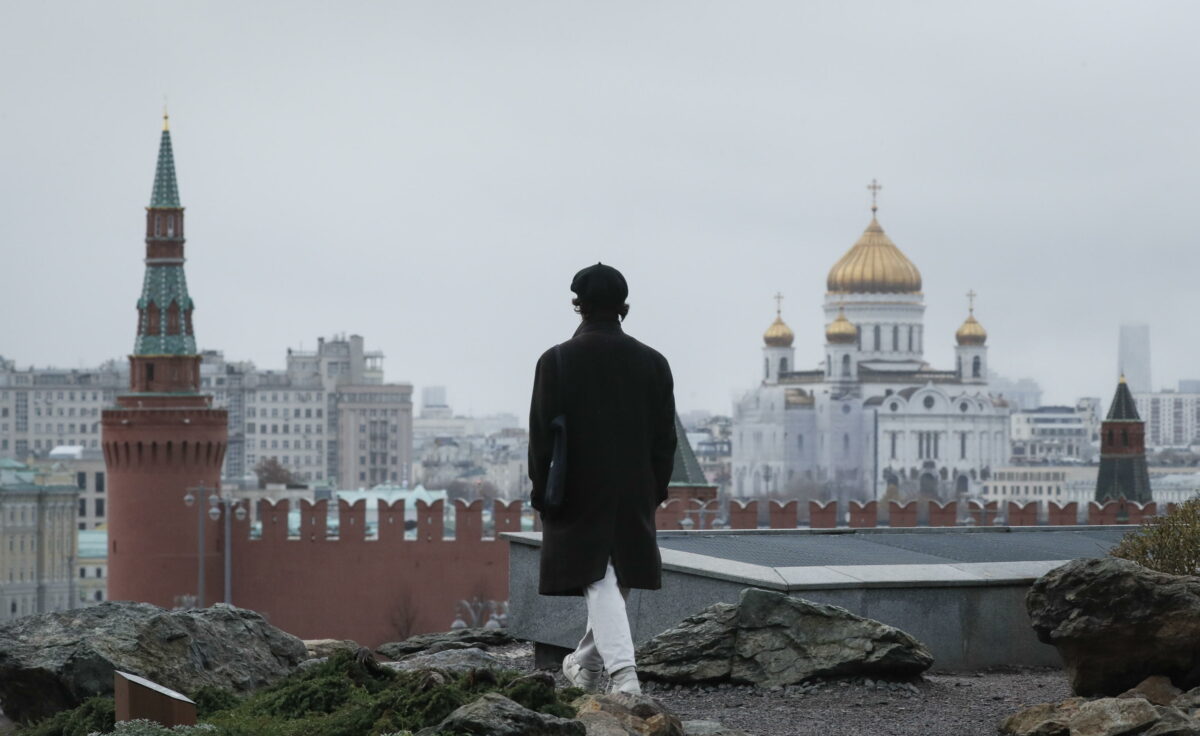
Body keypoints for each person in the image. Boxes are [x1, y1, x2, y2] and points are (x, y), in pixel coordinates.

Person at [528, 263, 677, 696]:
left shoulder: (555, 360)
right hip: (634, 486)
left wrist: (542, 490)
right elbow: (663, 438)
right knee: (615, 576)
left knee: (600, 576)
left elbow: (540, 436)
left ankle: (624, 678)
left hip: (577, 486)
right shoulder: (654, 363)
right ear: (622, 307)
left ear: (579, 306)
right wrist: (656, 488)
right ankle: (587, 666)